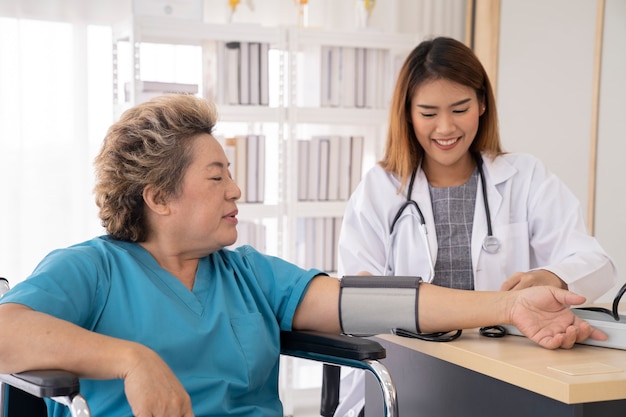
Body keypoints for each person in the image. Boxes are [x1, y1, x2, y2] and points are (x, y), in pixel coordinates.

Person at [0, 94, 607, 417]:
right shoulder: (92, 268)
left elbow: (371, 300)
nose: (236, 190)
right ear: (158, 196)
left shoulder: (246, 272)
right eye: (216, 178)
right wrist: (132, 360)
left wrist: (509, 303)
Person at [334, 36, 618, 416]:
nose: (445, 127)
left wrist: (552, 276)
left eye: (460, 108)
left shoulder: (524, 176)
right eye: (428, 112)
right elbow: (355, 300)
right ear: (407, 113)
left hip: (506, 370)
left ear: (482, 104)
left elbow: (597, 263)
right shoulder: (381, 188)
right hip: (407, 371)